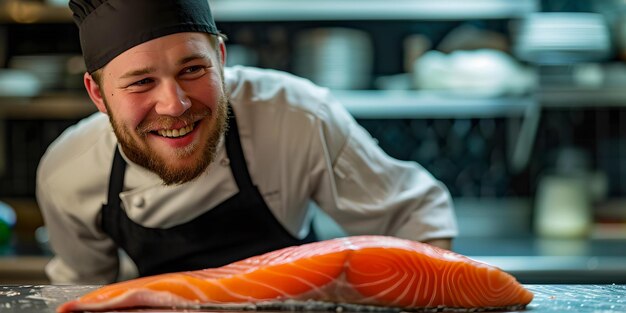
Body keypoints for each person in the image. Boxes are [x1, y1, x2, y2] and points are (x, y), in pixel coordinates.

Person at [36, 0, 458, 284]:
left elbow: (415, 220)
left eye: (193, 70)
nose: (175, 104)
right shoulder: (69, 176)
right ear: (97, 95)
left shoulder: (296, 118)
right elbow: (84, 294)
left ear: (221, 58)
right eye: (142, 82)